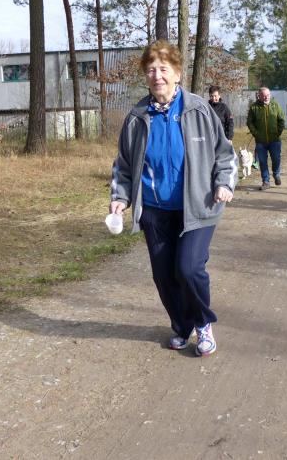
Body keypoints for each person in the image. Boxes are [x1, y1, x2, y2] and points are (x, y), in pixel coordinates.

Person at [109, 40, 237, 357]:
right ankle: (181, 325)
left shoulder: (199, 110)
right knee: (164, 275)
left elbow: (225, 154)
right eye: (151, 70)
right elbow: (124, 165)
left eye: (164, 69)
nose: (157, 76)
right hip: (155, 211)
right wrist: (120, 198)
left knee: (188, 268)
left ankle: (203, 323)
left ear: (177, 73)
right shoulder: (138, 117)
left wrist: (223, 183)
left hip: (198, 207)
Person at [247, 87, 285, 190]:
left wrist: (278, 132)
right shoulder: (254, 107)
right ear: (259, 96)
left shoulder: (275, 105)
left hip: (275, 140)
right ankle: (266, 181)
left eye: (268, 95)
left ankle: (276, 174)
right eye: (263, 96)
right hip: (261, 141)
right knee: (262, 162)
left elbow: (281, 120)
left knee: (276, 159)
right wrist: (256, 133)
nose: (266, 97)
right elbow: (249, 122)